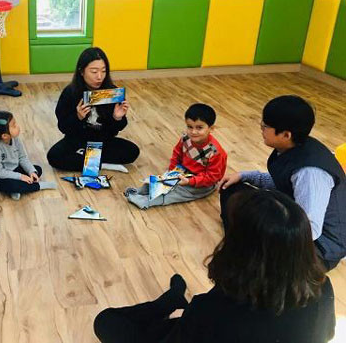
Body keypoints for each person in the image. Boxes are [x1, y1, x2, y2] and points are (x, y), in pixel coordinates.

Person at [94, 188, 336, 343]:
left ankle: (166, 303)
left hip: (207, 327)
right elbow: (326, 333)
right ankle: (168, 302)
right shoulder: (321, 286)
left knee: (106, 321)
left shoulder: (213, 309)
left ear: (240, 246)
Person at [219, 95, 346, 270]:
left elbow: (310, 230)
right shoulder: (292, 147)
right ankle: (246, 244)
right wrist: (244, 176)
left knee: (252, 227)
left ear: (286, 134)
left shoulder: (310, 172)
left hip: (318, 249)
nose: (261, 128)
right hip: (295, 217)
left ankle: (247, 248)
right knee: (231, 190)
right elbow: (283, 181)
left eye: (265, 126)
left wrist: (267, 227)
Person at [47, 47, 139, 172]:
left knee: (132, 151)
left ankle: (87, 160)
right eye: (94, 72)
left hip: (103, 141)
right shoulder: (70, 92)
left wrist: (117, 118)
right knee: (54, 156)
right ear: (81, 71)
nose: (99, 77)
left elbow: (116, 129)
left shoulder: (111, 92)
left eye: (103, 71)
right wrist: (77, 117)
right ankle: (102, 164)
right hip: (78, 141)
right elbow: (63, 127)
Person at [126, 104, 227, 209]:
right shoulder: (186, 139)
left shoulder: (215, 152)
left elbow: (212, 177)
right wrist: (172, 171)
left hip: (202, 183)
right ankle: (141, 191)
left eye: (199, 128)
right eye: (190, 127)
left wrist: (190, 181)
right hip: (182, 172)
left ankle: (146, 201)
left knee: (177, 192)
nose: (193, 132)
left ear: (211, 128)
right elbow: (177, 154)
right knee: (160, 181)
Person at [0, 110, 57, 201]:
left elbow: (22, 158)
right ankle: (38, 186)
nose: (18, 126)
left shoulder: (15, 139)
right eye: (14, 126)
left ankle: (16, 189)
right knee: (12, 185)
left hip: (13, 169)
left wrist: (31, 171)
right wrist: (20, 177)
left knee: (37, 169)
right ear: (5, 136)